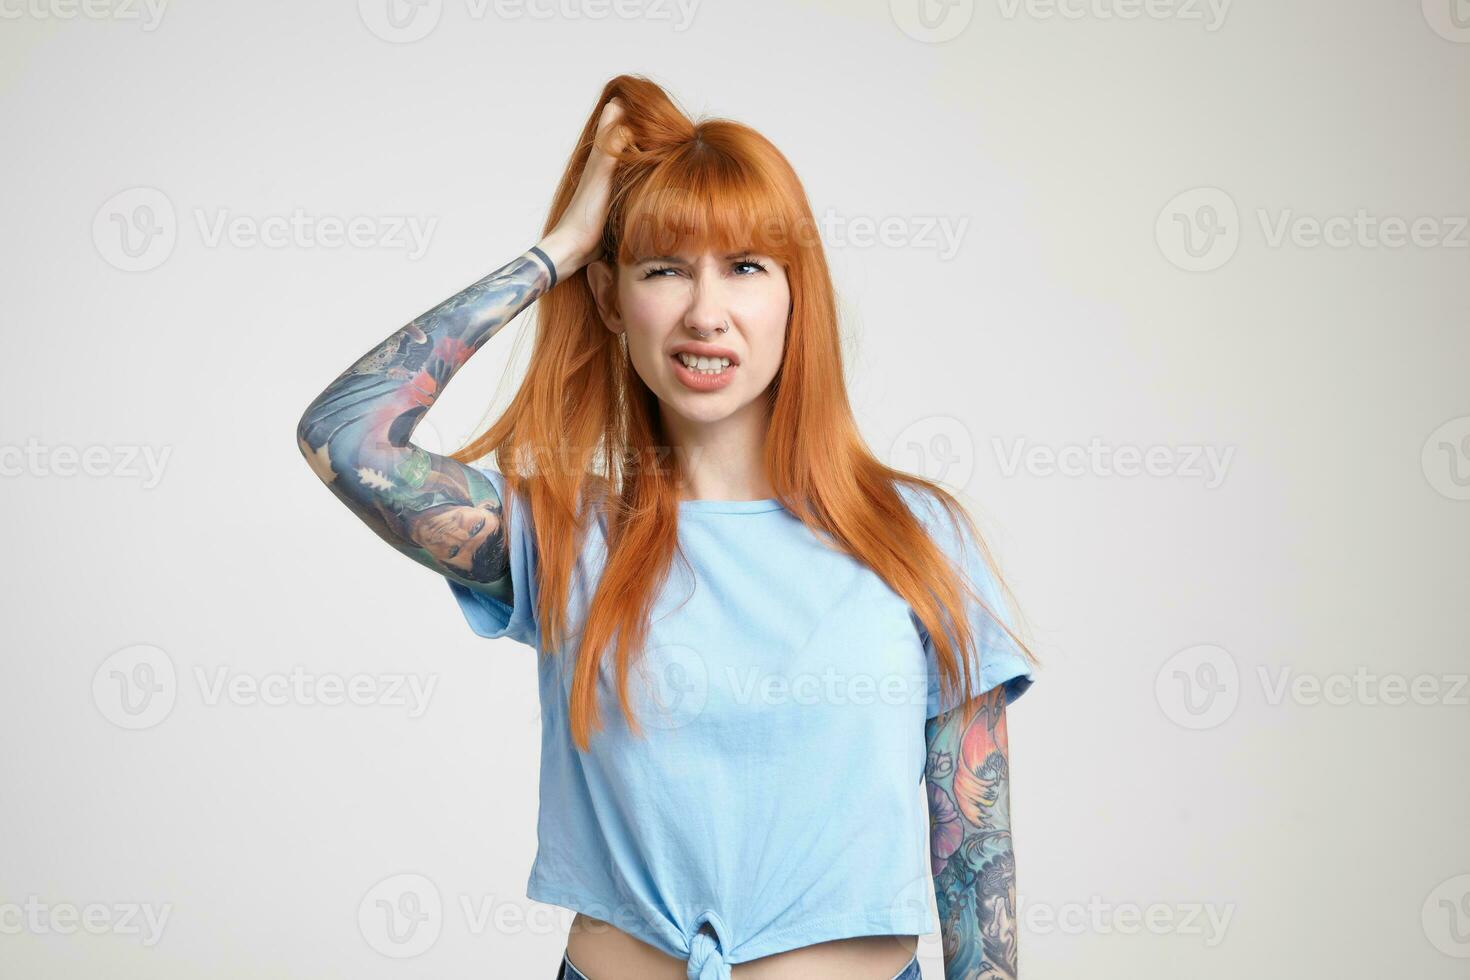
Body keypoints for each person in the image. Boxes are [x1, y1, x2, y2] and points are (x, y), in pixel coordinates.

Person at [297, 74, 1039, 980]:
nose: (705, 312)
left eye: (746, 267)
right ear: (611, 300)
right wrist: (557, 252)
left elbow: (977, 872)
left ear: (795, 296)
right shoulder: (559, 534)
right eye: (663, 269)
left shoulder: (917, 538)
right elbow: (345, 436)